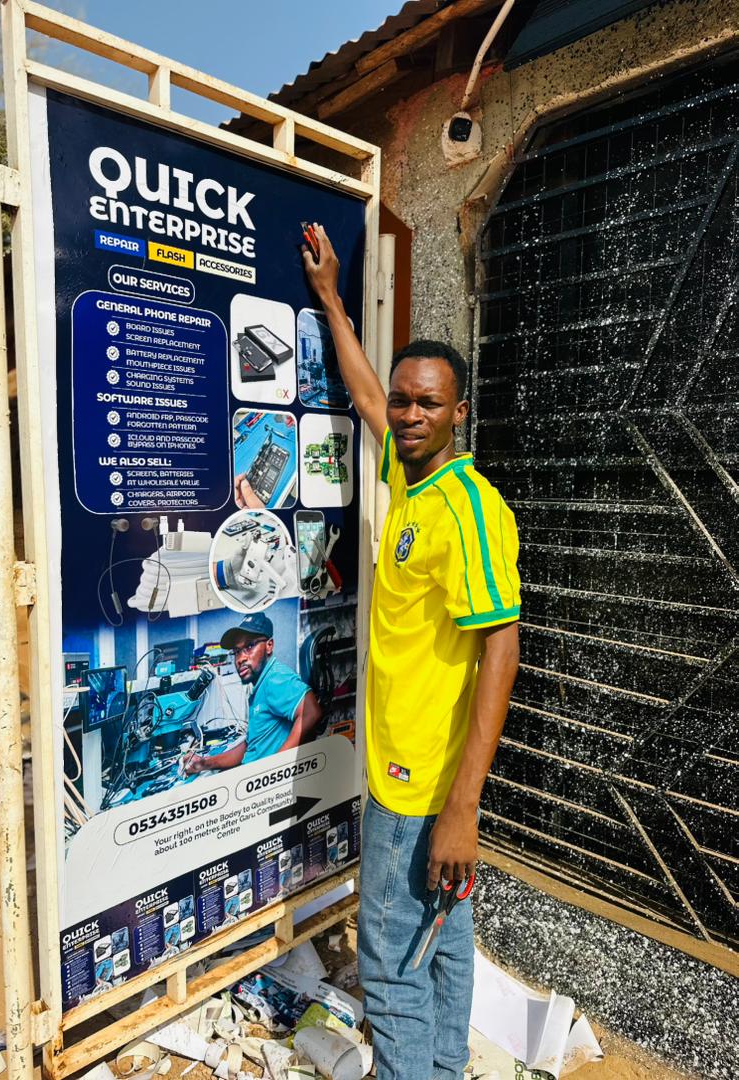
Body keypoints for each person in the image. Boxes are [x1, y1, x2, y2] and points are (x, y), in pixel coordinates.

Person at [303, 224, 521, 1080]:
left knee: (390, 956)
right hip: (407, 769)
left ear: (460, 410)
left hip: (421, 785)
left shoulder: (467, 507)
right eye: (405, 400)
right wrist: (330, 299)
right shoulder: (411, 473)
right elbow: (362, 397)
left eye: (429, 403)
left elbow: (501, 651)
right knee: (445, 932)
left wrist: (462, 808)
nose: (410, 414)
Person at [182, 612, 321, 771]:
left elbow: (311, 712)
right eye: (236, 651)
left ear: (269, 646)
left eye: (249, 647)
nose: (240, 659)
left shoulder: (275, 679)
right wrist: (205, 763)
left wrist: (277, 771)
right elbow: (251, 745)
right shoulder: (261, 684)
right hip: (249, 774)